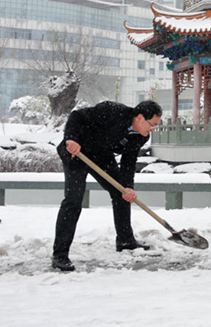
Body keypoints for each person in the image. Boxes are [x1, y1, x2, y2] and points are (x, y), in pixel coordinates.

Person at [52, 100, 162, 272]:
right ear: (140, 117)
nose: (153, 129)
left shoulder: (141, 136)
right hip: (76, 151)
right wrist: (71, 139)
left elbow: (128, 162)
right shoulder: (113, 111)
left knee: (121, 192)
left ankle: (125, 241)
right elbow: (77, 116)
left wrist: (128, 186)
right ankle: (60, 254)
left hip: (100, 155)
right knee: (74, 200)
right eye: (152, 124)